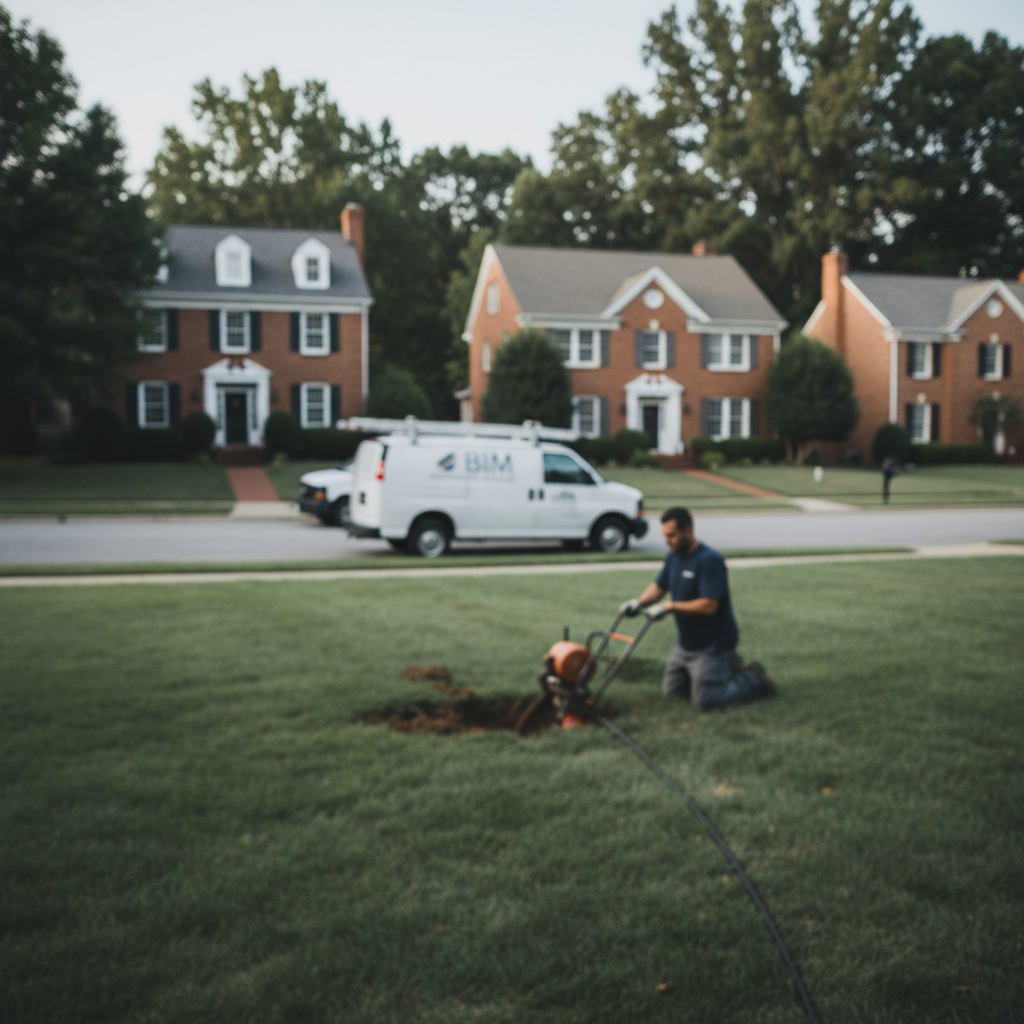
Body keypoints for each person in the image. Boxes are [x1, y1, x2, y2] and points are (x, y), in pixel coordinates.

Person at [620, 507, 775, 709]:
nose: (668, 541)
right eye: (665, 536)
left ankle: (752, 678)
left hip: (713, 644)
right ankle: (723, 671)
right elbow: (659, 586)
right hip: (686, 644)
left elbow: (709, 606)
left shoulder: (709, 560)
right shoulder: (673, 556)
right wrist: (638, 603)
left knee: (708, 701)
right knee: (673, 693)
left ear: (688, 532)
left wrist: (670, 607)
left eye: (672, 535)